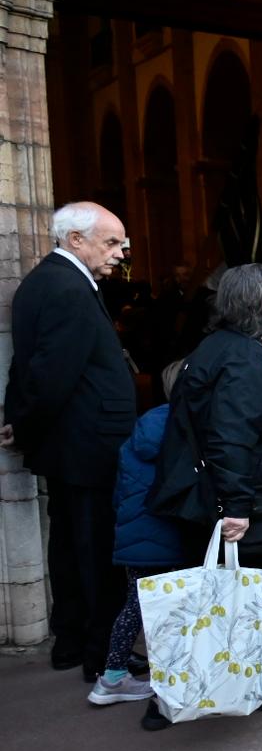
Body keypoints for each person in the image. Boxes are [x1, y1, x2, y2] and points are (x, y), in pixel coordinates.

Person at [151, 264, 262, 725]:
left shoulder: (218, 347)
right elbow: (228, 436)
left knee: (252, 591)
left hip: (220, 490)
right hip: (242, 498)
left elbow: (243, 423)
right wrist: (236, 509)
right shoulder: (245, 357)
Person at [1, 202, 137, 682]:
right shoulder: (65, 286)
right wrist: (25, 420)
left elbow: (31, 365)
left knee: (70, 542)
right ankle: (103, 654)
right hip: (87, 446)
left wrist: (19, 418)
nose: (121, 252)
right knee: (97, 549)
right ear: (75, 240)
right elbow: (50, 373)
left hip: (72, 443)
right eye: (112, 241)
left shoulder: (49, 280)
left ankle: (73, 640)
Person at [87, 360, 193, 710]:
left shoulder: (143, 428)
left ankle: (113, 677)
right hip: (168, 537)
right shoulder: (186, 428)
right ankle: (170, 683)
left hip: (135, 536)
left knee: (134, 607)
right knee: (171, 610)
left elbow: (122, 490)